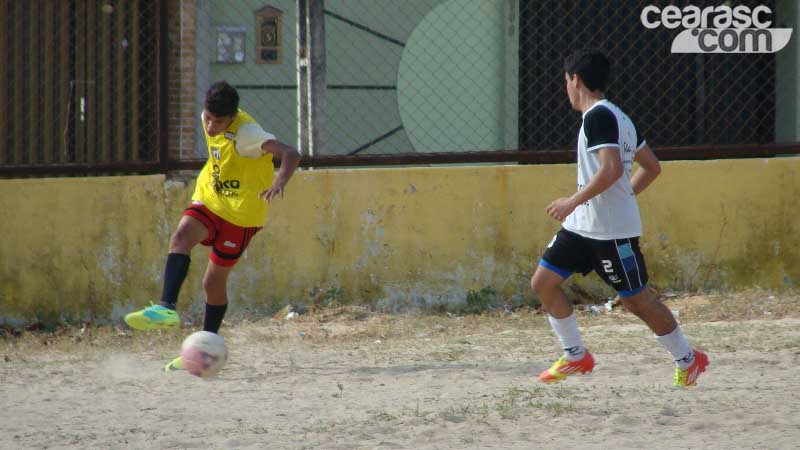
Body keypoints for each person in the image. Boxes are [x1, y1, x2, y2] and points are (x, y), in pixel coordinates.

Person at [530, 50, 709, 387]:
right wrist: (606, 201)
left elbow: (612, 169)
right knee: (543, 282)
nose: (565, 88)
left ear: (576, 81)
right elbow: (651, 167)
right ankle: (575, 356)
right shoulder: (618, 116)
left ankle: (689, 359)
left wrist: (572, 201)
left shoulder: (599, 116)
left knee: (636, 301)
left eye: (565, 81)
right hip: (583, 227)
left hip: (612, 234)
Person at [124, 81, 301, 371]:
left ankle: (205, 349)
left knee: (212, 283)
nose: (210, 126)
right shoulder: (211, 117)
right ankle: (167, 308)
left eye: (218, 122)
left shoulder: (247, 133)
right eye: (207, 118)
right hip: (211, 199)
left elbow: (292, 153)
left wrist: (279, 181)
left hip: (242, 215)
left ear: (232, 117)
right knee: (181, 236)